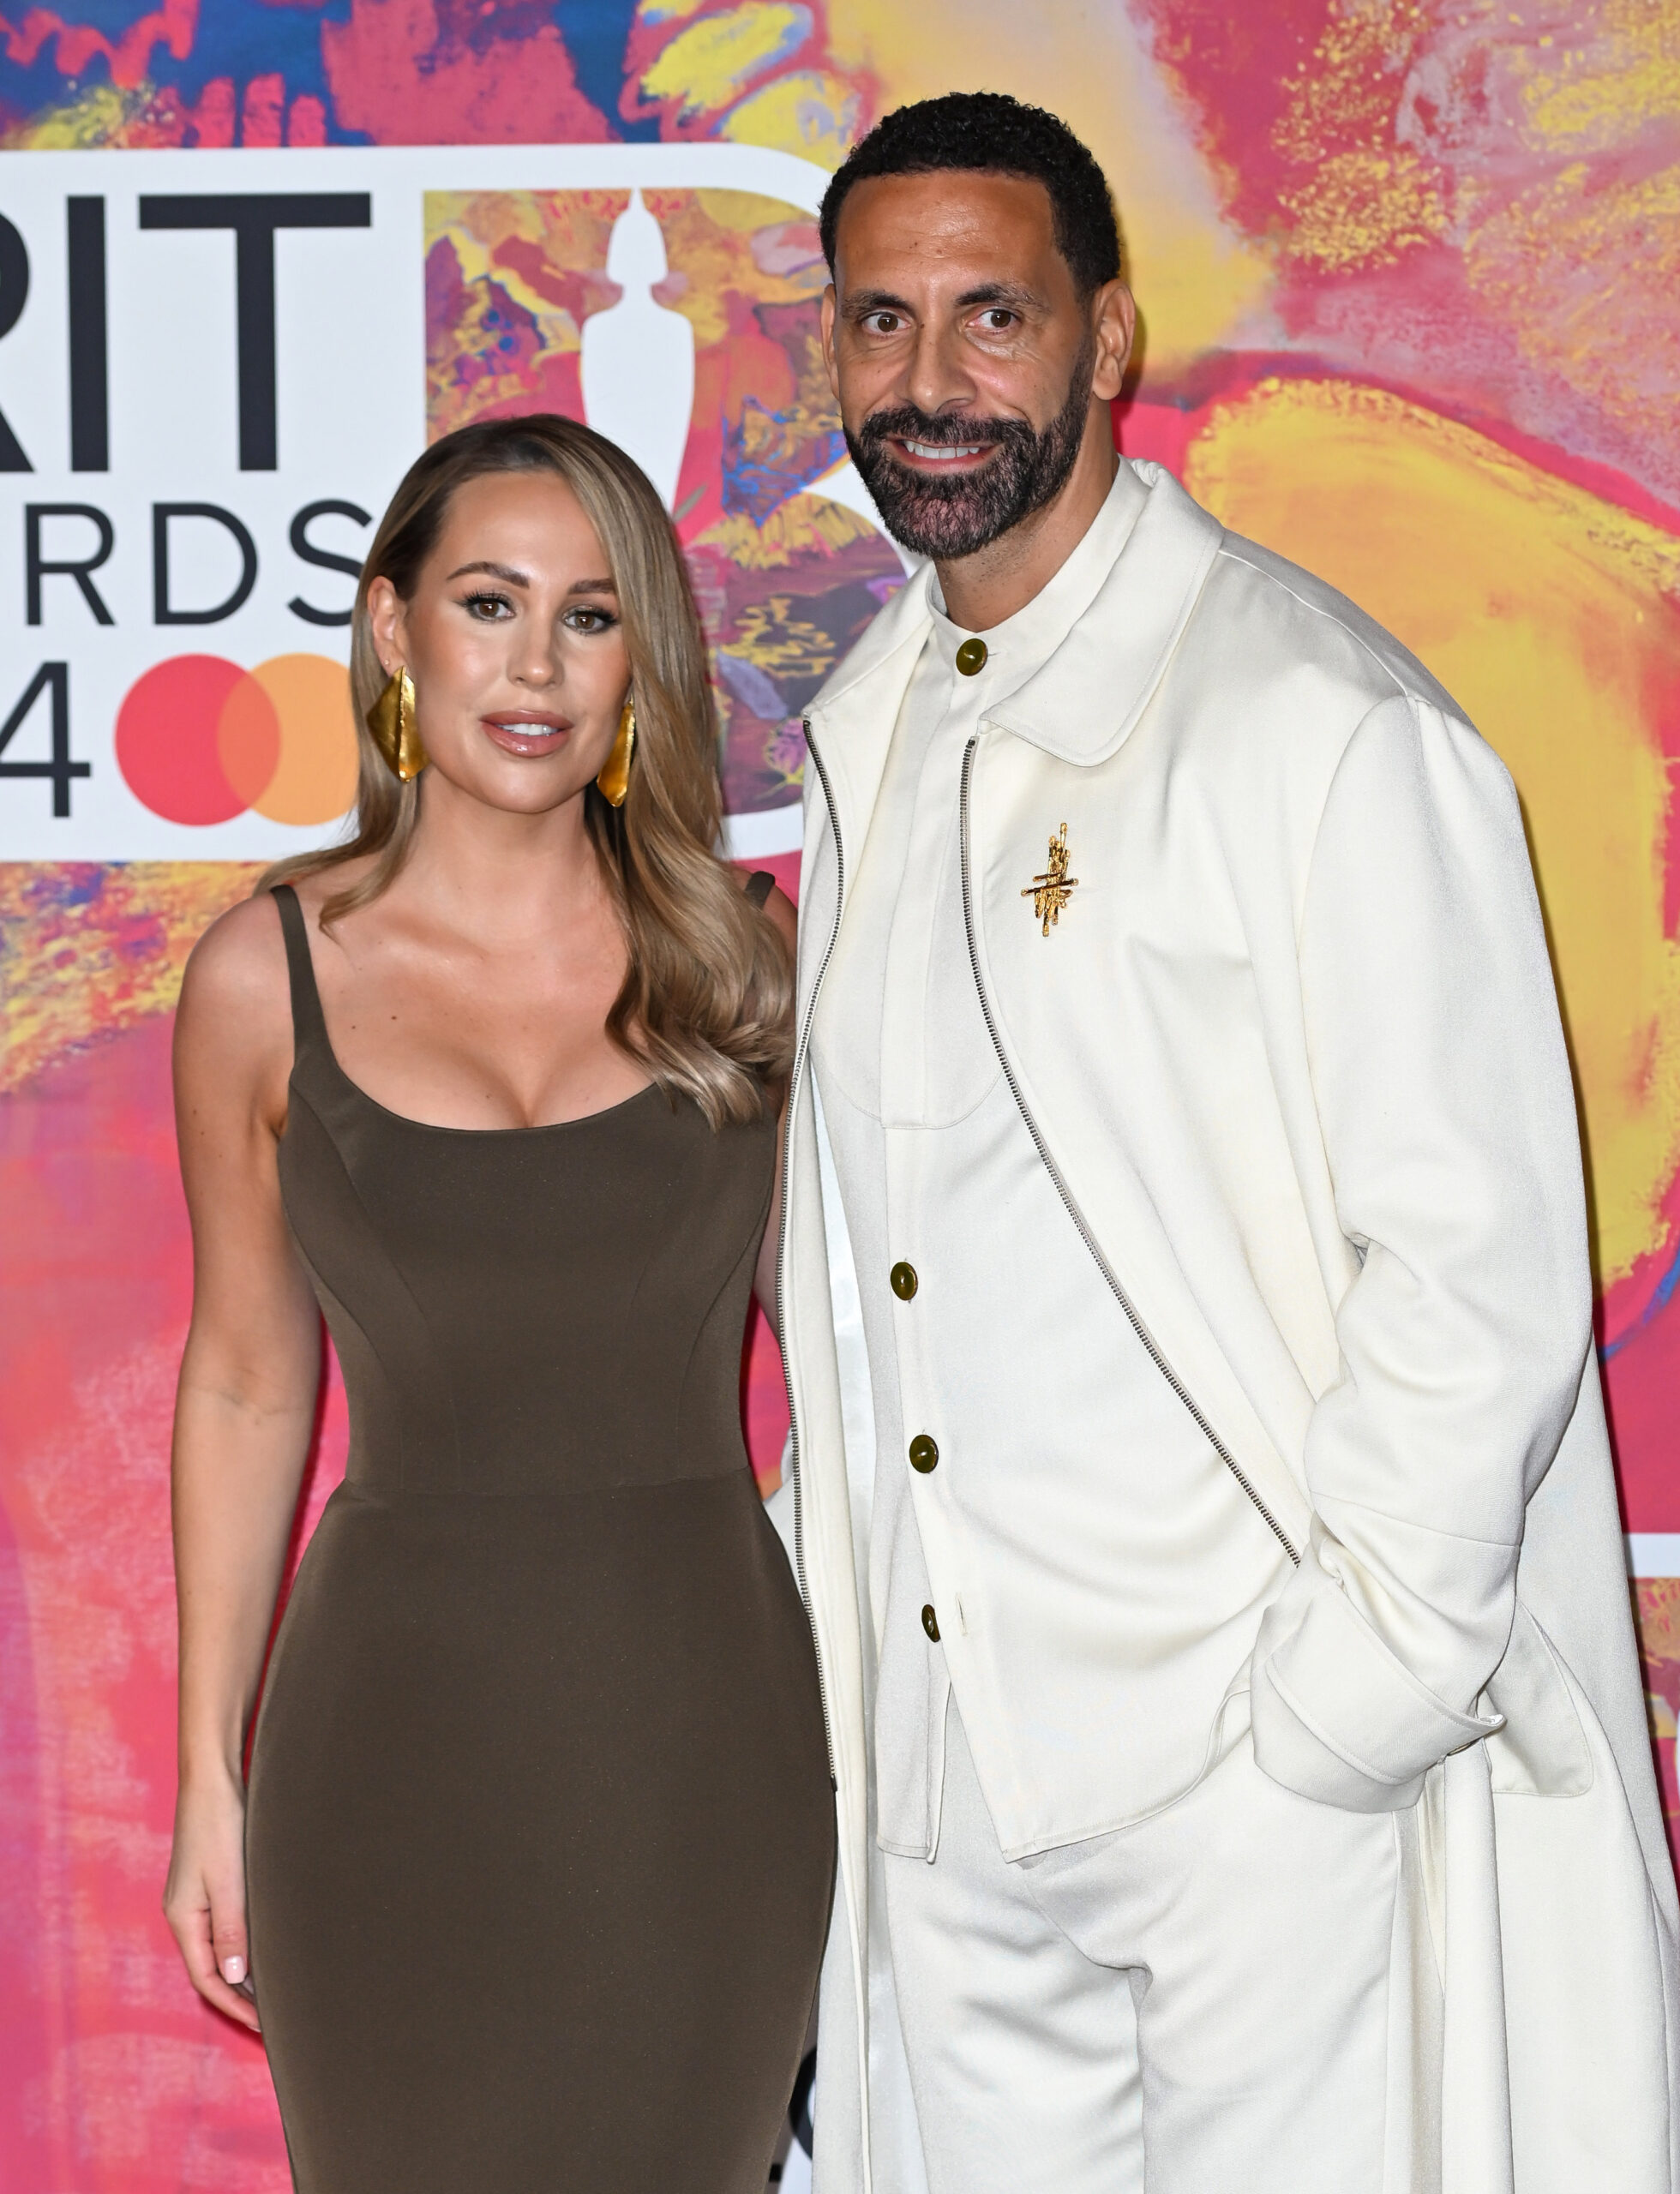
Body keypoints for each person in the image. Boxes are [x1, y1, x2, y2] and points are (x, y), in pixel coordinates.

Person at [775, 90, 1680, 2194]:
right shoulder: (866, 724)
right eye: (876, 322)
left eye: (988, 317)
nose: (927, 381)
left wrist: (1327, 1721)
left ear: (1107, 338)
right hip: (943, 1794)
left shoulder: (1317, 721)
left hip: (1247, 1782)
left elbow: (1472, 1267)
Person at [161, 415, 834, 2194]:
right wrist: (204, 1774)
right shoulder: (262, 976)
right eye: (487, 601)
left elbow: (866, 1348)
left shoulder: (751, 958)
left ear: (643, 662)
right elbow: (242, 1381)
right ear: (393, 630)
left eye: (592, 616)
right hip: (386, 1753)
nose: (535, 665)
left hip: (705, 1747)